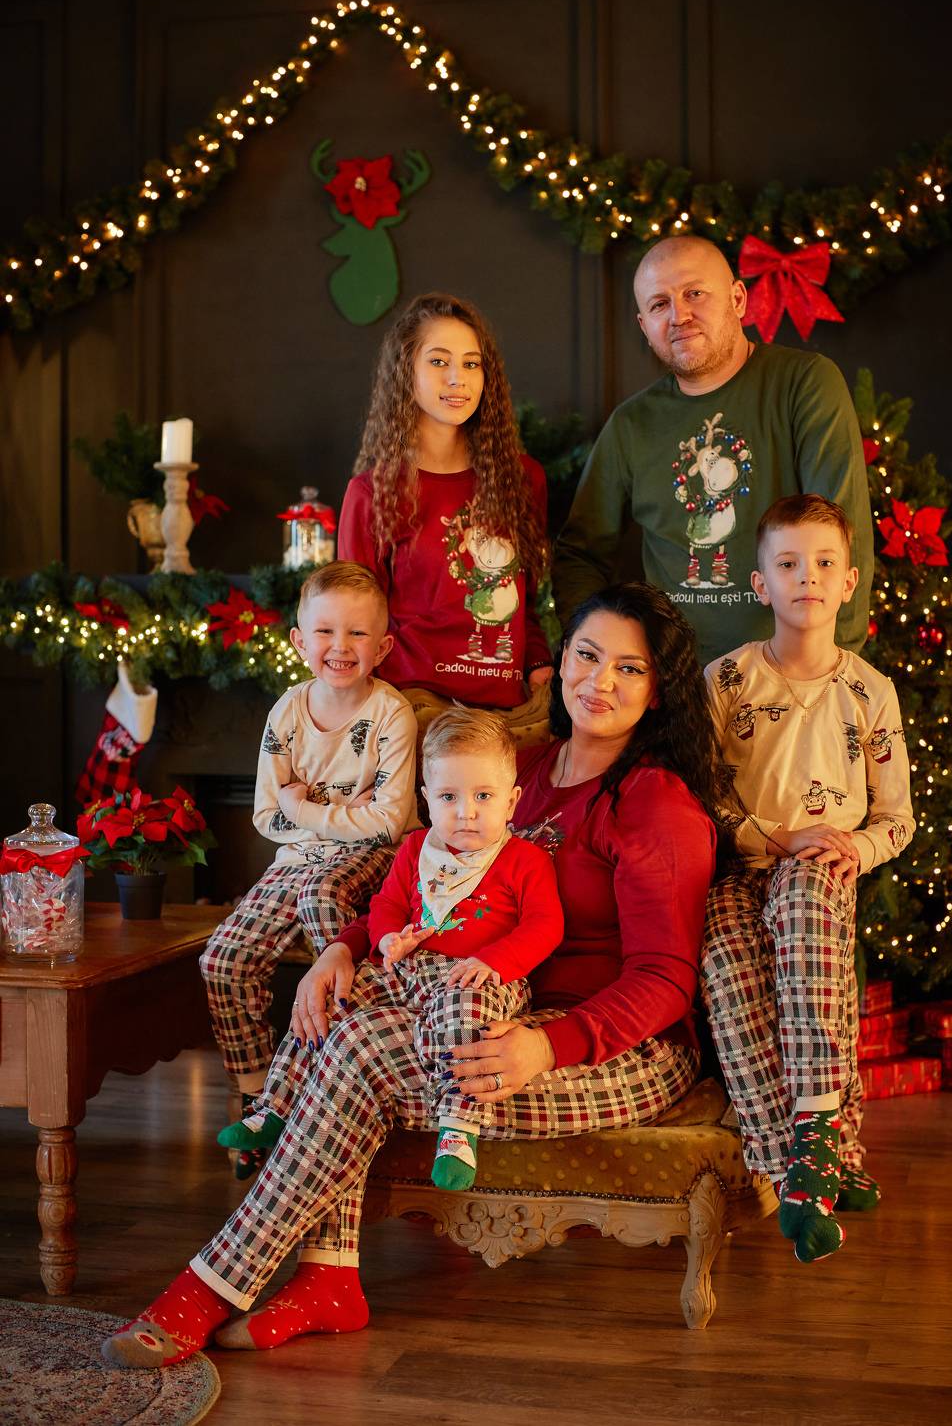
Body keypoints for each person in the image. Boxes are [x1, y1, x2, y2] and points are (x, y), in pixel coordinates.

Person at [102, 582, 727, 1369]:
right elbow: (428, 889)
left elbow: (665, 980)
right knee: (342, 1021)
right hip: (481, 1005)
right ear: (560, 659)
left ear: (658, 688)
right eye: (587, 654)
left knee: (359, 1050)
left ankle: (211, 1287)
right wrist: (343, 949)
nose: (599, 681)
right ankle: (327, 1279)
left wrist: (547, 1046)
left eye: (628, 668)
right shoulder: (518, 771)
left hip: (613, 1047)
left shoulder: (655, 805)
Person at [217, 706, 564, 1193]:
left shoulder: (524, 860)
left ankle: (458, 1128)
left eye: (483, 796)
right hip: (407, 967)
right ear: (427, 799)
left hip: (477, 978)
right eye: (448, 796)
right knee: (331, 1000)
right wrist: (385, 939)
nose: (465, 812)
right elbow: (387, 905)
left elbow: (546, 926)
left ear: (511, 802)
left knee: (468, 1015)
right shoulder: (417, 849)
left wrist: (495, 961)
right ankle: (276, 1105)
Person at [700, 494, 914, 1264]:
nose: (808, 577)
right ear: (761, 584)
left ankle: (817, 1137)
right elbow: (701, 795)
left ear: (849, 581)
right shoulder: (726, 680)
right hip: (737, 866)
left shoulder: (869, 692)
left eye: (825, 563)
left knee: (807, 915)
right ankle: (802, 1166)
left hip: (819, 870)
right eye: (788, 564)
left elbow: (897, 818)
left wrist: (855, 848)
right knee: (728, 976)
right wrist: (771, 836)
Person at [553, 235, 874, 664]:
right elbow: (580, 553)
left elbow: (845, 536)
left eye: (694, 293)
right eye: (659, 304)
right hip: (675, 682)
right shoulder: (632, 425)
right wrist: (594, 656)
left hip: (787, 676)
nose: (679, 316)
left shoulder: (804, 383)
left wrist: (832, 670)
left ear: (738, 299)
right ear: (644, 326)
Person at [199, 561, 418, 1177]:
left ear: (383, 647)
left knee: (322, 899)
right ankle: (256, 1096)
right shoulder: (287, 714)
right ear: (299, 641)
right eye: (324, 631)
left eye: (356, 633)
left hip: (369, 859)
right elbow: (267, 816)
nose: (339, 646)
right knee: (222, 958)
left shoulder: (391, 715)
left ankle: (328, 1075)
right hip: (295, 859)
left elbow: (388, 825)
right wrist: (337, 813)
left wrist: (306, 806)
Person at [337, 292, 555, 713]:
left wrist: (537, 662)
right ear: (406, 371)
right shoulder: (372, 493)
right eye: (438, 361)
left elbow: (524, 600)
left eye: (471, 364)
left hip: (503, 713)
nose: (458, 378)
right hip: (409, 709)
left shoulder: (522, 479)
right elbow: (354, 622)